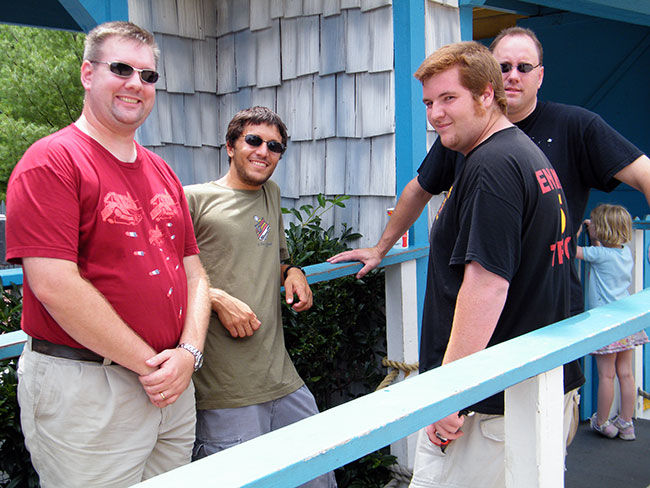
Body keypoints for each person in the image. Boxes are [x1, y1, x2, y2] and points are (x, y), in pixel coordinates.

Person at [5, 21, 211, 487]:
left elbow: (194, 271)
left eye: (148, 75)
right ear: (87, 73)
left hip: (171, 383)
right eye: (121, 68)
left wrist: (188, 355)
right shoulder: (51, 161)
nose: (136, 83)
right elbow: (54, 286)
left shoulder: (161, 169)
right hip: (89, 388)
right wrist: (151, 365)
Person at [328, 26, 650, 318]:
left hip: (550, 314)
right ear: (487, 80)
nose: (512, 76)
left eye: (524, 68)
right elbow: (419, 188)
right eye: (502, 67)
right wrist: (380, 248)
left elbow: (644, 174)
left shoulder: (577, 127)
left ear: (539, 76)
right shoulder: (464, 133)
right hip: (480, 320)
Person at [392, 40, 576, 488]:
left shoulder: (490, 166)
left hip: (487, 411)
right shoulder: (525, 156)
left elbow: (487, 285)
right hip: (527, 393)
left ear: (487, 94)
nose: (435, 114)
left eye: (448, 98)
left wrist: (451, 395)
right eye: (429, 102)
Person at [184, 106, 336, 487]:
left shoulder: (270, 193)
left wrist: (294, 272)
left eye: (275, 146)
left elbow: (276, 257)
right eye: (253, 140)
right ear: (230, 146)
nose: (263, 151)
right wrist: (215, 298)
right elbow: (162, 276)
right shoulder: (194, 200)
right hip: (225, 388)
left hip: (282, 379)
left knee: (319, 474)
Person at [576, 204, 648, 440]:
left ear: (602, 230)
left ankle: (602, 422)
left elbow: (571, 252)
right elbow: (604, 251)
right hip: (626, 322)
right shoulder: (624, 252)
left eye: (594, 224)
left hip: (605, 325)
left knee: (606, 376)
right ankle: (626, 424)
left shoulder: (598, 255)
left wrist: (577, 231)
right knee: (625, 374)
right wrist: (596, 233)